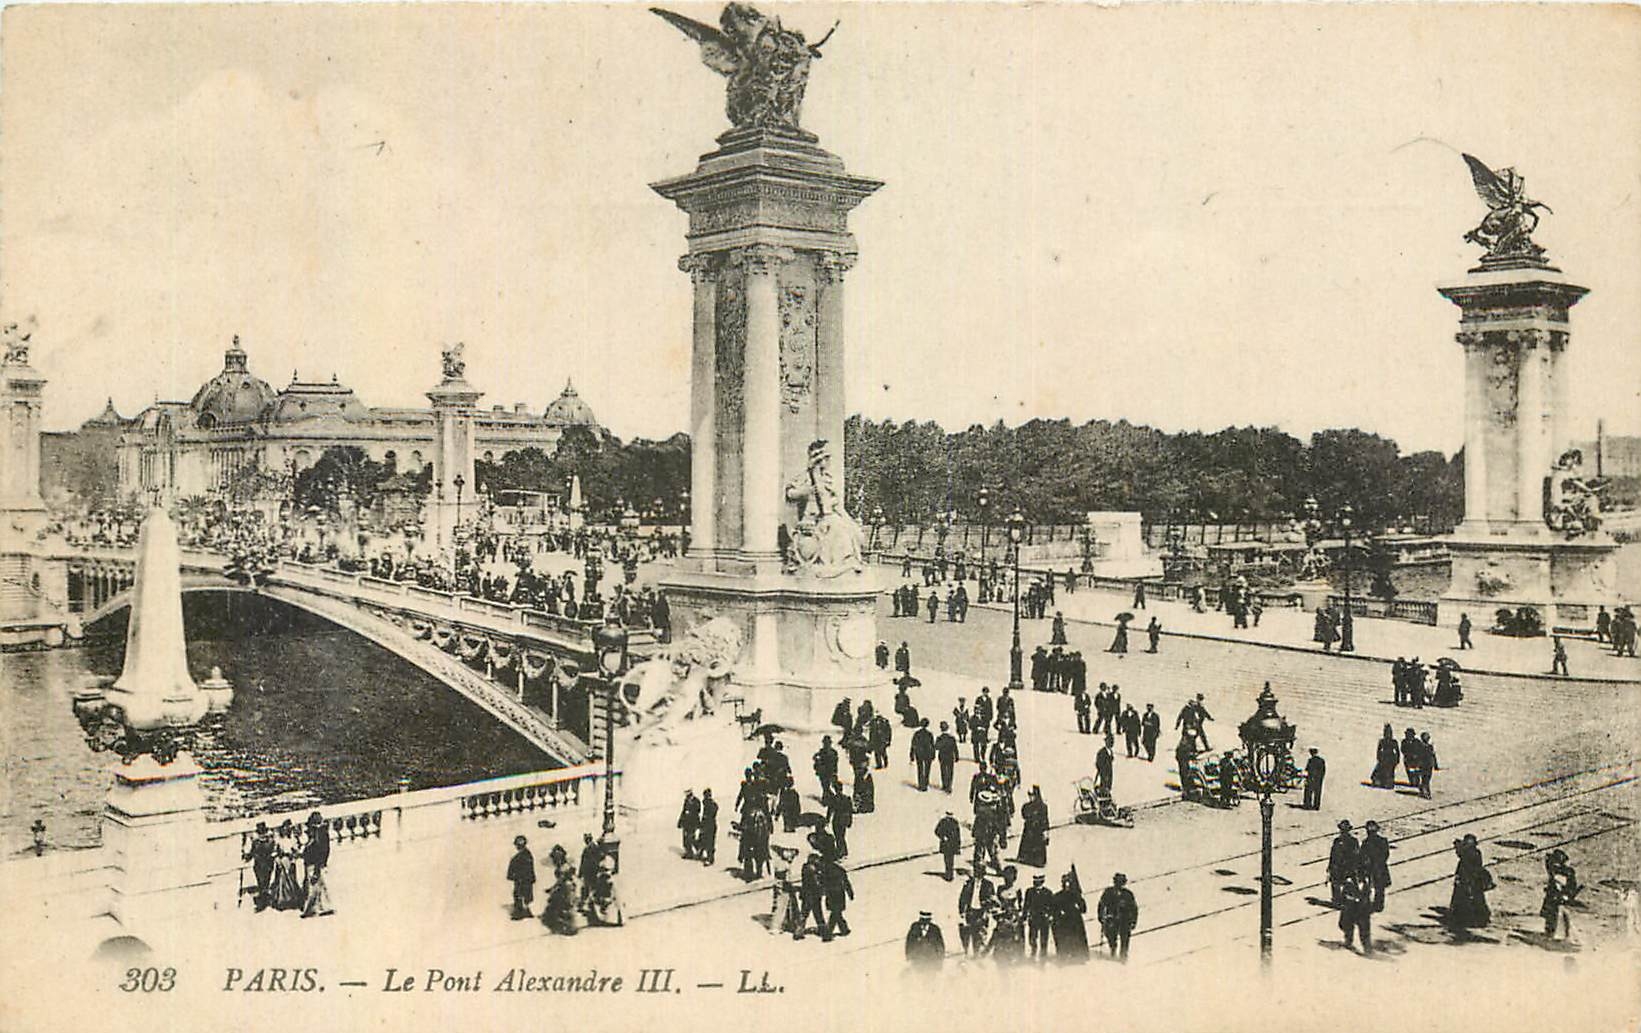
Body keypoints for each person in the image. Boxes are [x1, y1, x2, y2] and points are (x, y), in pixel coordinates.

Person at [1446, 834, 1494, 929]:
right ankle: (1475, 918)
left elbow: (1465, 861)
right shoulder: (1474, 852)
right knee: (1474, 899)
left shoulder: (1470, 853)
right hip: (1471, 879)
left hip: (1469, 880)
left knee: (1468, 899)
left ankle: (1468, 919)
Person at [1096, 872, 1139, 961]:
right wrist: (1101, 916)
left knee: (1125, 939)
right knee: (1111, 936)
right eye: (1117, 882)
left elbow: (1134, 908)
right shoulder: (1108, 892)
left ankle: (1123, 957)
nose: (1119, 884)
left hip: (1125, 920)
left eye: (1121, 882)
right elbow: (1101, 904)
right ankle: (1113, 950)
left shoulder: (1128, 894)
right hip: (1112, 918)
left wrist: (1134, 921)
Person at [1050, 870, 1090, 963]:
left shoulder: (1075, 895)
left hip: (1075, 921)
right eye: (1065, 883)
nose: (1067, 886)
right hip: (1063, 922)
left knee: (1077, 938)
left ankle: (1079, 956)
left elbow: (1083, 909)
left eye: (1069, 883)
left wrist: (1079, 901)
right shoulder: (1057, 896)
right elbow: (1053, 909)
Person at [1540, 848, 1580, 941]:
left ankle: (1560, 934)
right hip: (1554, 895)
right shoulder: (1554, 869)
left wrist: (1567, 894)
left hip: (1560, 896)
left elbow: (1571, 885)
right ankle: (1550, 932)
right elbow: (1548, 865)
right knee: (1551, 915)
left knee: (1559, 915)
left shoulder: (1567, 871)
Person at [1337, 861, 1374, 954]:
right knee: (1347, 926)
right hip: (1351, 908)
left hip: (1362, 909)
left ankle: (1367, 947)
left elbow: (1368, 894)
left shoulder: (1366, 882)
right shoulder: (1349, 882)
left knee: (1364, 929)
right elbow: (1343, 895)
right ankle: (1348, 941)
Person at [958, 867, 995, 955]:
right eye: (976, 872)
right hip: (971, 912)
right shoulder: (969, 883)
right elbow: (963, 897)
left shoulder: (988, 884)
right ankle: (968, 951)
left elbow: (992, 899)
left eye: (979, 872)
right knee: (969, 932)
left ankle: (977, 953)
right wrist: (962, 911)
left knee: (979, 934)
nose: (977, 874)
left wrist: (987, 911)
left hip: (981, 912)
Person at [269, 819, 303, 912]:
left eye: (289, 829)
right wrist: (278, 861)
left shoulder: (293, 839)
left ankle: (293, 899)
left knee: (292, 879)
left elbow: (296, 849)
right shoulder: (278, 840)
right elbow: (274, 852)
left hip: (290, 860)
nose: (287, 830)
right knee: (281, 880)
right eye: (285, 828)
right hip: (282, 860)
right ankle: (282, 900)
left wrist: (294, 857)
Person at [244, 822, 276, 912]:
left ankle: (263, 900)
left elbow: (273, 849)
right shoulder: (256, 840)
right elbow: (251, 851)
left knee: (265, 882)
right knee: (262, 882)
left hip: (267, 863)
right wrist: (248, 856)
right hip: (260, 863)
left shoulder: (269, 839)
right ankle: (264, 899)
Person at [1361, 821, 1392, 912]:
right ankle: (1378, 905)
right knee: (1379, 888)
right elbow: (1386, 854)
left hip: (1372, 867)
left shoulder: (1366, 842)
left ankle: (1370, 904)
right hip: (1379, 867)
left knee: (1369, 887)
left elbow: (1362, 856)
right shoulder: (1382, 841)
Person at [1016, 785, 1050, 867]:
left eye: (1032, 795)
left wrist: (1046, 831)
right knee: (1027, 843)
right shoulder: (1027, 806)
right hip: (1029, 829)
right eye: (1029, 795)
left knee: (1038, 845)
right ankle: (1026, 858)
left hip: (1038, 829)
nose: (1030, 797)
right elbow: (1024, 815)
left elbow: (1045, 819)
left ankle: (1039, 861)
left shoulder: (1043, 806)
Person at [1024, 873, 1055, 961]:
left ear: (1042, 881)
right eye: (1035, 881)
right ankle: (1033, 952)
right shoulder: (1029, 892)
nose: (1037, 883)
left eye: (1039, 881)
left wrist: (1050, 916)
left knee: (1044, 937)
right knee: (1032, 937)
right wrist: (1025, 916)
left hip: (1044, 918)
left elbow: (1052, 906)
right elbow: (1026, 905)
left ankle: (1043, 955)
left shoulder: (1048, 892)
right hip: (1033, 918)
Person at [506, 835, 536, 920]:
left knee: (520, 895)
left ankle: (520, 912)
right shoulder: (525, 854)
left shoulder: (523, 855)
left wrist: (513, 875)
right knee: (523, 895)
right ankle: (524, 911)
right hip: (524, 880)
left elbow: (527, 868)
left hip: (522, 880)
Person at [1328, 821, 1359, 904]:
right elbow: (1333, 854)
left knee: (1350, 883)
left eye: (1344, 830)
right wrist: (1330, 866)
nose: (1342, 832)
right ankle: (1337, 899)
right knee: (1335, 883)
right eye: (1342, 830)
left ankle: (1351, 898)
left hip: (1347, 866)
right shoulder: (1337, 840)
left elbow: (1356, 855)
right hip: (1338, 866)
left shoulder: (1353, 841)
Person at [1370, 723, 1400, 789]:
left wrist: (1397, 760)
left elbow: (1397, 752)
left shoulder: (1394, 742)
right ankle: (1379, 782)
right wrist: (1379, 757)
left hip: (1390, 759)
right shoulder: (1382, 741)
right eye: (1386, 732)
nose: (1387, 734)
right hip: (1383, 758)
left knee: (1389, 772)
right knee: (1380, 771)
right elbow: (1379, 750)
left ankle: (1388, 783)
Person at [935, 811, 963, 881]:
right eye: (948, 814)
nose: (949, 816)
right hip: (946, 844)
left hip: (952, 844)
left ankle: (949, 874)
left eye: (950, 814)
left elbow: (958, 835)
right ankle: (949, 874)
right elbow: (937, 831)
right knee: (948, 860)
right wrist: (942, 836)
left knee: (950, 860)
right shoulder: (943, 821)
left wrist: (958, 845)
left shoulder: (954, 822)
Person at [910, 718, 936, 792]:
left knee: (920, 769)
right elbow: (932, 745)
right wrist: (933, 754)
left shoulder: (917, 734)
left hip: (919, 754)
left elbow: (913, 745)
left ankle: (921, 784)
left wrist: (912, 755)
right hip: (928, 754)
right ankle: (926, 782)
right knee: (927, 769)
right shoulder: (929, 734)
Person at [827, 790, 854, 860]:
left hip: (837, 820)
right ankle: (843, 851)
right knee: (841, 836)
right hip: (843, 820)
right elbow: (850, 811)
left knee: (839, 836)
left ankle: (841, 852)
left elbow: (830, 810)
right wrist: (849, 821)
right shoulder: (846, 799)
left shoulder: (834, 799)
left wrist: (828, 819)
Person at [934, 721, 959, 793]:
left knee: (943, 770)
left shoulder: (939, 738)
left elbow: (936, 747)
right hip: (950, 756)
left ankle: (944, 785)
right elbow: (955, 748)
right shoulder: (952, 738)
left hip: (942, 756)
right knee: (950, 771)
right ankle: (949, 785)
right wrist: (957, 756)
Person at [698, 789, 719, 865]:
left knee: (709, 842)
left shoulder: (710, 804)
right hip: (707, 825)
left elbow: (713, 811)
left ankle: (710, 858)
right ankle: (703, 854)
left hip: (710, 825)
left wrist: (707, 818)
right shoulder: (706, 803)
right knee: (703, 840)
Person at [678, 789, 701, 859]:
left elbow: (698, 811)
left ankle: (699, 850)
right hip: (686, 823)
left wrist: (690, 812)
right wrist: (680, 821)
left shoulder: (696, 801)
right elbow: (683, 811)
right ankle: (689, 853)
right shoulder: (686, 801)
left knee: (691, 838)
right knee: (685, 839)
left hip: (693, 823)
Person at [1417, 732, 1438, 798]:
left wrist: (1435, 765)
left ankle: (1424, 791)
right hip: (1423, 765)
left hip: (1429, 765)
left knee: (1427, 779)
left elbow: (1433, 756)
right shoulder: (1420, 746)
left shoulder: (1430, 746)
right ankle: (1425, 792)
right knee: (1425, 779)